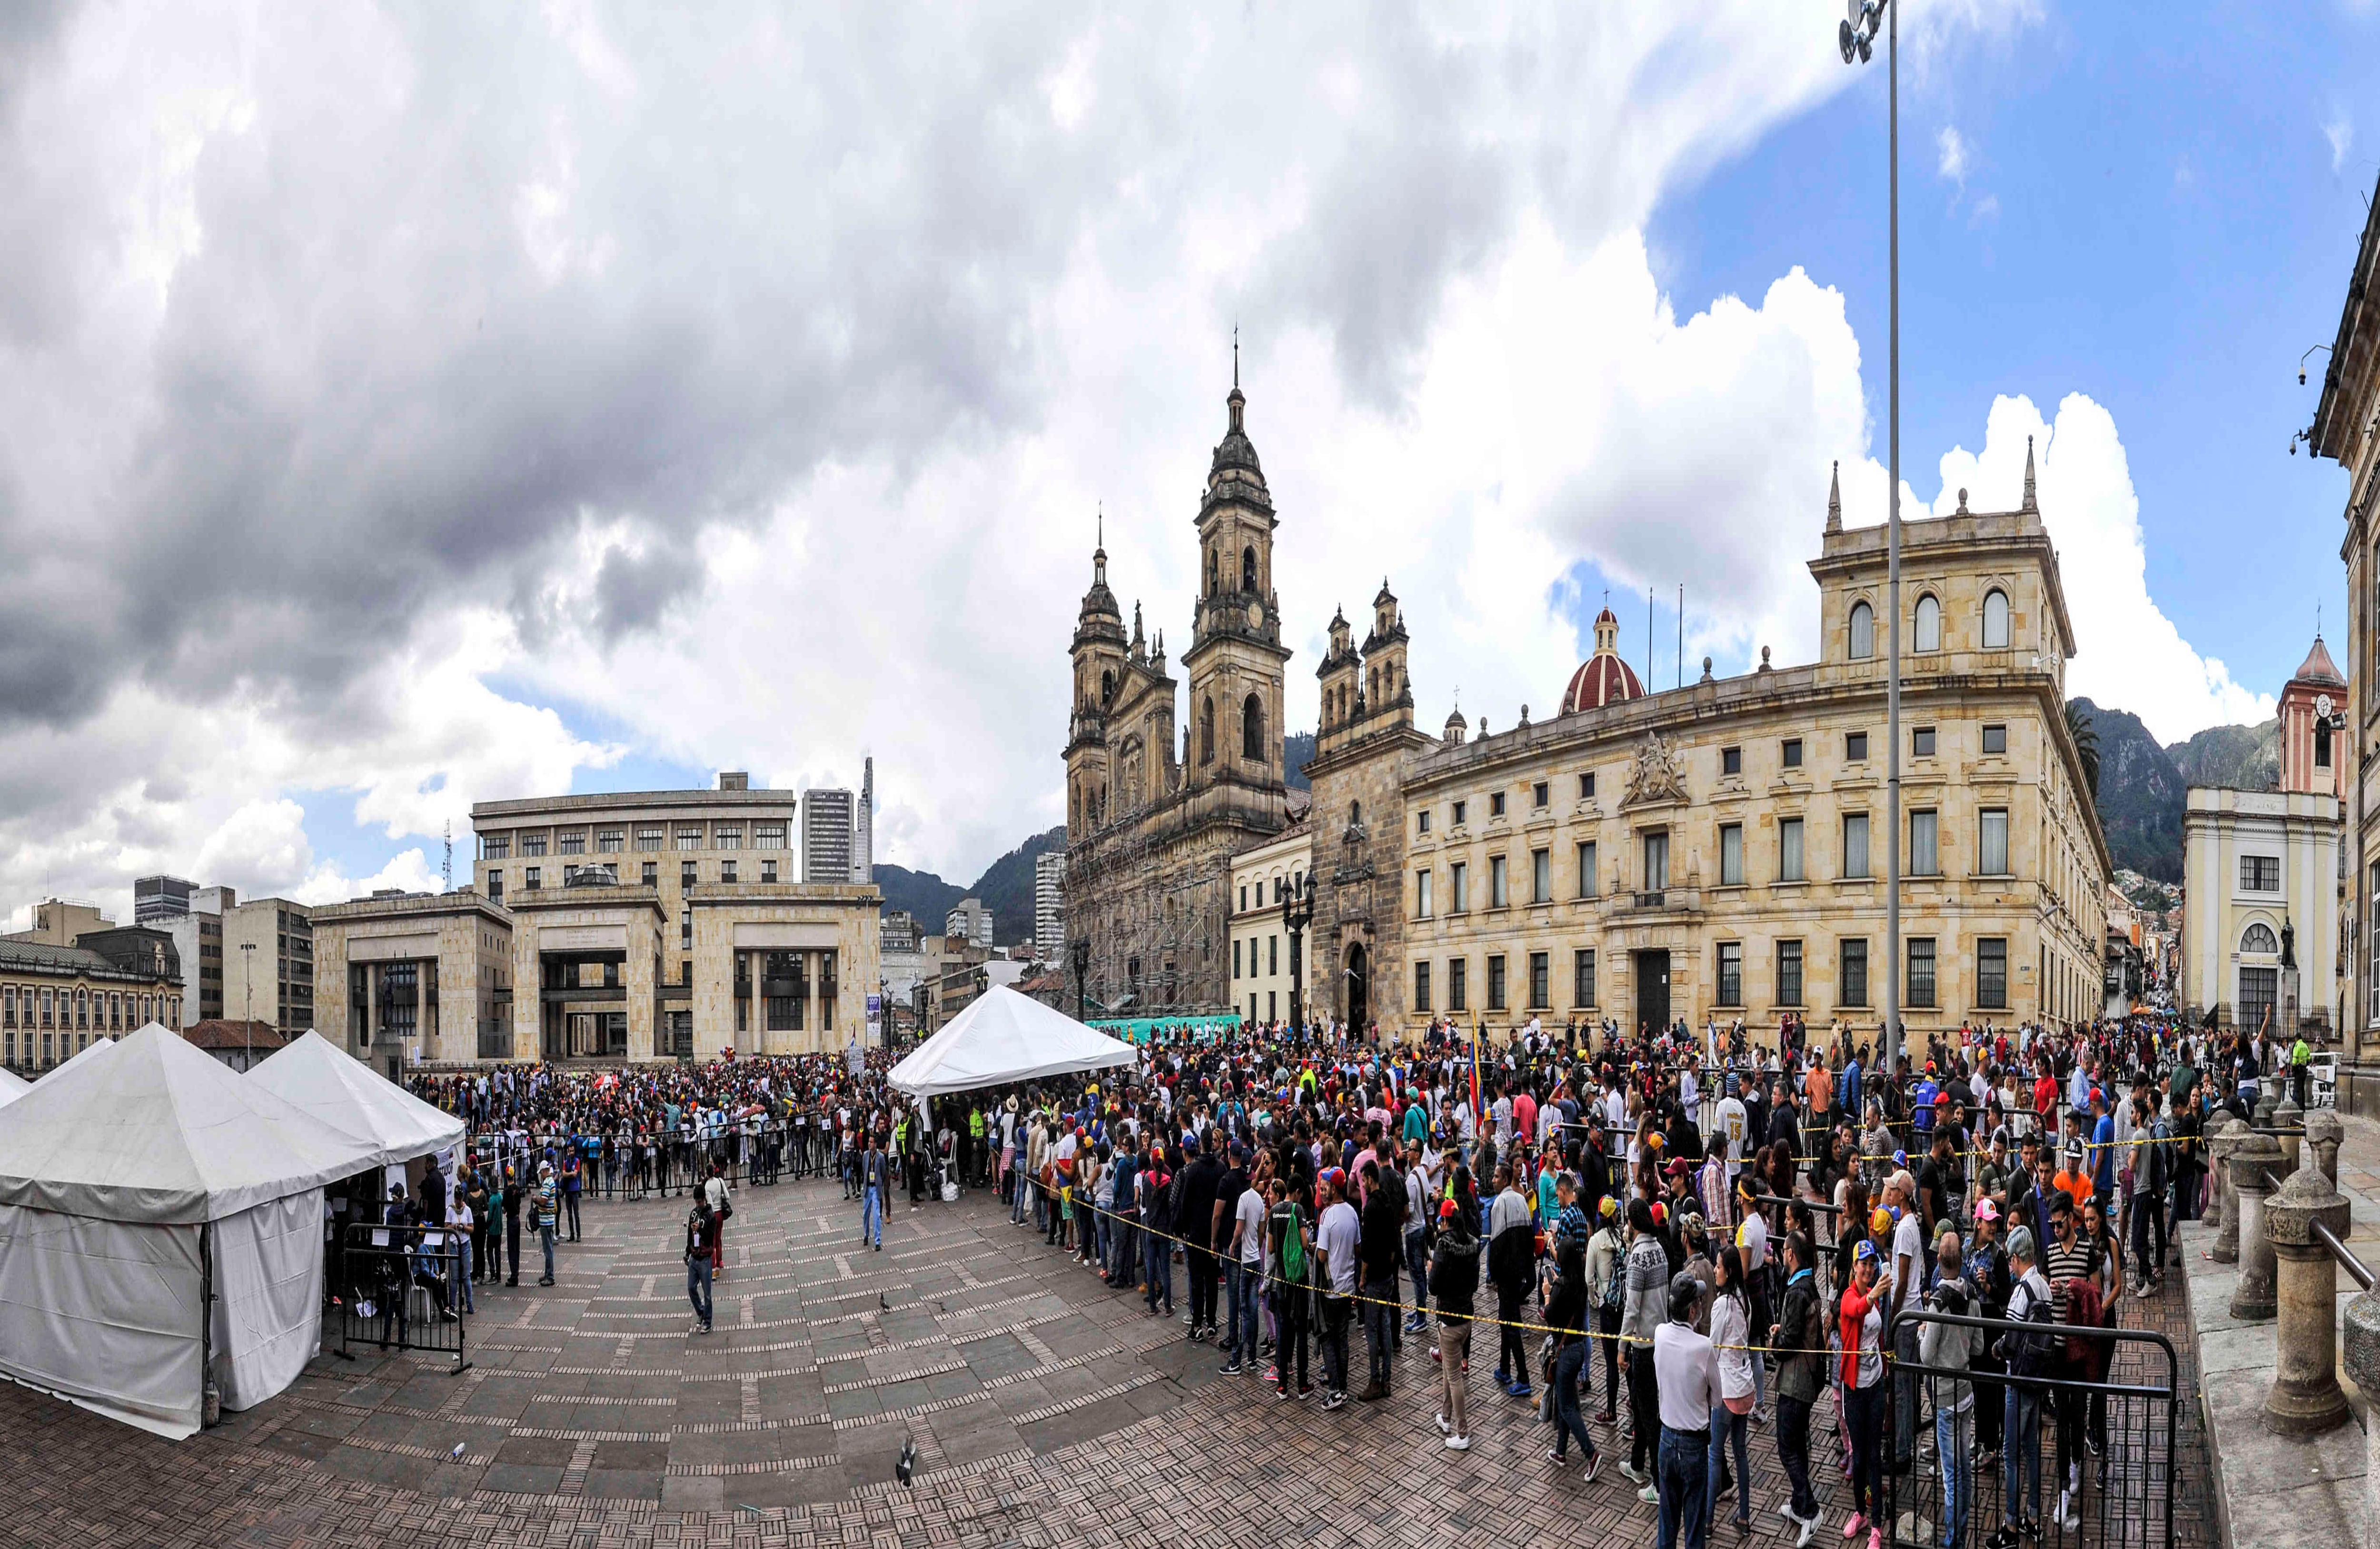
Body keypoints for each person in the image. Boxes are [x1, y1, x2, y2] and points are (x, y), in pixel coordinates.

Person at [1994, 1227, 2054, 1546]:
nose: (2010, 1265)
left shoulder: (2021, 1291)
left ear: (2017, 1258)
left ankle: (2011, 1524)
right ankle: (2033, 1516)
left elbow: (2011, 1340)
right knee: (2031, 1448)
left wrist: (1996, 1349)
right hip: (2038, 1379)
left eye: (2011, 1259)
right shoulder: (2043, 1285)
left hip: (2018, 1380)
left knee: (2011, 1453)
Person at [1921, 1225, 1980, 1549]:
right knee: (1964, 1468)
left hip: (1945, 1394)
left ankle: (1952, 1539)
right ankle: (1961, 1530)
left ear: (1940, 1261)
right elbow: (1980, 1344)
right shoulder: (1971, 1296)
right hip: (1966, 1391)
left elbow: (1927, 1355)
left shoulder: (1938, 1303)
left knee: (1952, 1473)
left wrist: (1922, 1333)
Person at [1654, 1269, 1721, 1549]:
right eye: (1698, 1302)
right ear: (1692, 1310)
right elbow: (1718, 1398)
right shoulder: (1703, 1347)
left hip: (1666, 1439)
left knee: (1667, 1524)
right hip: (1694, 1446)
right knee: (1694, 1528)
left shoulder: (1659, 1333)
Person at [1770, 1231, 1825, 1547]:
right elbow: (1798, 1330)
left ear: (1791, 1254)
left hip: (1795, 1381)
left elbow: (1788, 1342)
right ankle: (1798, 1503)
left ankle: (1811, 1508)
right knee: (1798, 1444)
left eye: (1784, 1251)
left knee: (1787, 1446)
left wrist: (1775, 1340)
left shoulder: (1796, 1290)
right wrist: (1785, 1330)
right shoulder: (1810, 1285)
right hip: (1807, 1376)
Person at [1620, 1198, 1671, 1502]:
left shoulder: (1638, 1256)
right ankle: (1637, 1463)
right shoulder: (1660, 1251)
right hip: (1659, 1340)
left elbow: (1632, 1307)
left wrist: (1622, 1345)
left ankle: (1658, 1479)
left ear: (1634, 1223)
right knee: (1642, 1407)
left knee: (1650, 1413)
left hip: (1643, 1345)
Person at [1838, 1242, 1887, 1549]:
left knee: (1873, 1454)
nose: (1868, 1270)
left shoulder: (1877, 1299)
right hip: (1854, 1388)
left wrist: (1886, 1367)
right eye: (1863, 1264)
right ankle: (1860, 1512)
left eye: (1872, 1265)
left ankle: (1878, 1526)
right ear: (1854, 1267)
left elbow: (1878, 1335)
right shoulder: (1849, 1297)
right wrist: (1872, 1295)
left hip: (1876, 1385)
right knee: (1859, 1454)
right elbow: (1857, 1310)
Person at [1540, 1231, 1601, 1480]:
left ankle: (1591, 1454)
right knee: (1565, 1399)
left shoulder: (1560, 1288)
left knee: (1567, 1407)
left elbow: (1549, 1315)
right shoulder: (1578, 1284)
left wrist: (1547, 1293)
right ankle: (1560, 1451)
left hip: (1565, 1352)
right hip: (1577, 1350)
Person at [1706, 1245, 1756, 1538]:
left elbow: (1712, 1348)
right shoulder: (1744, 1301)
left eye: (1719, 1266)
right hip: (1745, 1385)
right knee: (1741, 1454)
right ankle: (1745, 1515)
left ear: (1729, 1271)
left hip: (1726, 1388)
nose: (1716, 1270)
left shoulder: (1722, 1305)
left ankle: (1709, 1520)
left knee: (1715, 1454)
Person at [1429, 1196, 1479, 1449]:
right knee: (1451, 1369)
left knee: (1455, 1376)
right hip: (1466, 1316)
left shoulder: (1443, 1247)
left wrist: (1431, 1268)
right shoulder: (1472, 1244)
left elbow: (1433, 1286)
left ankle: (1463, 1432)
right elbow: (1475, 1284)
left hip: (1448, 1318)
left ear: (1446, 1220)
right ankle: (1446, 1417)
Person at [684, 1194, 716, 1334]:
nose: (698, 1204)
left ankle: (708, 1322)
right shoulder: (694, 1213)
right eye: (696, 1202)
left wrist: (700, 1229)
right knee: (691, 1287)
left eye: (700, 1202)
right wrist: (687, 1252)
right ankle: (701, 1311)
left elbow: (710, 1237)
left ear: (704, 1200)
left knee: (707, 1293)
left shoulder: (710, 1216)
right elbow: (690, 1234)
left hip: (705, 1258)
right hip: (694, 1256)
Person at [533, 1162, 559, 1287]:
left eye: (541, 1173)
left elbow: (543, 1200)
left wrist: (535, 1199)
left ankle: (550, 1276)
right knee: (548, 1248)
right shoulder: (549, 1182)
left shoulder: (548, 1183)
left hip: (546, 1221)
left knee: (548, 1249)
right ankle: (548, 1273)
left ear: (544, 1171)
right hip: (547, 1220)